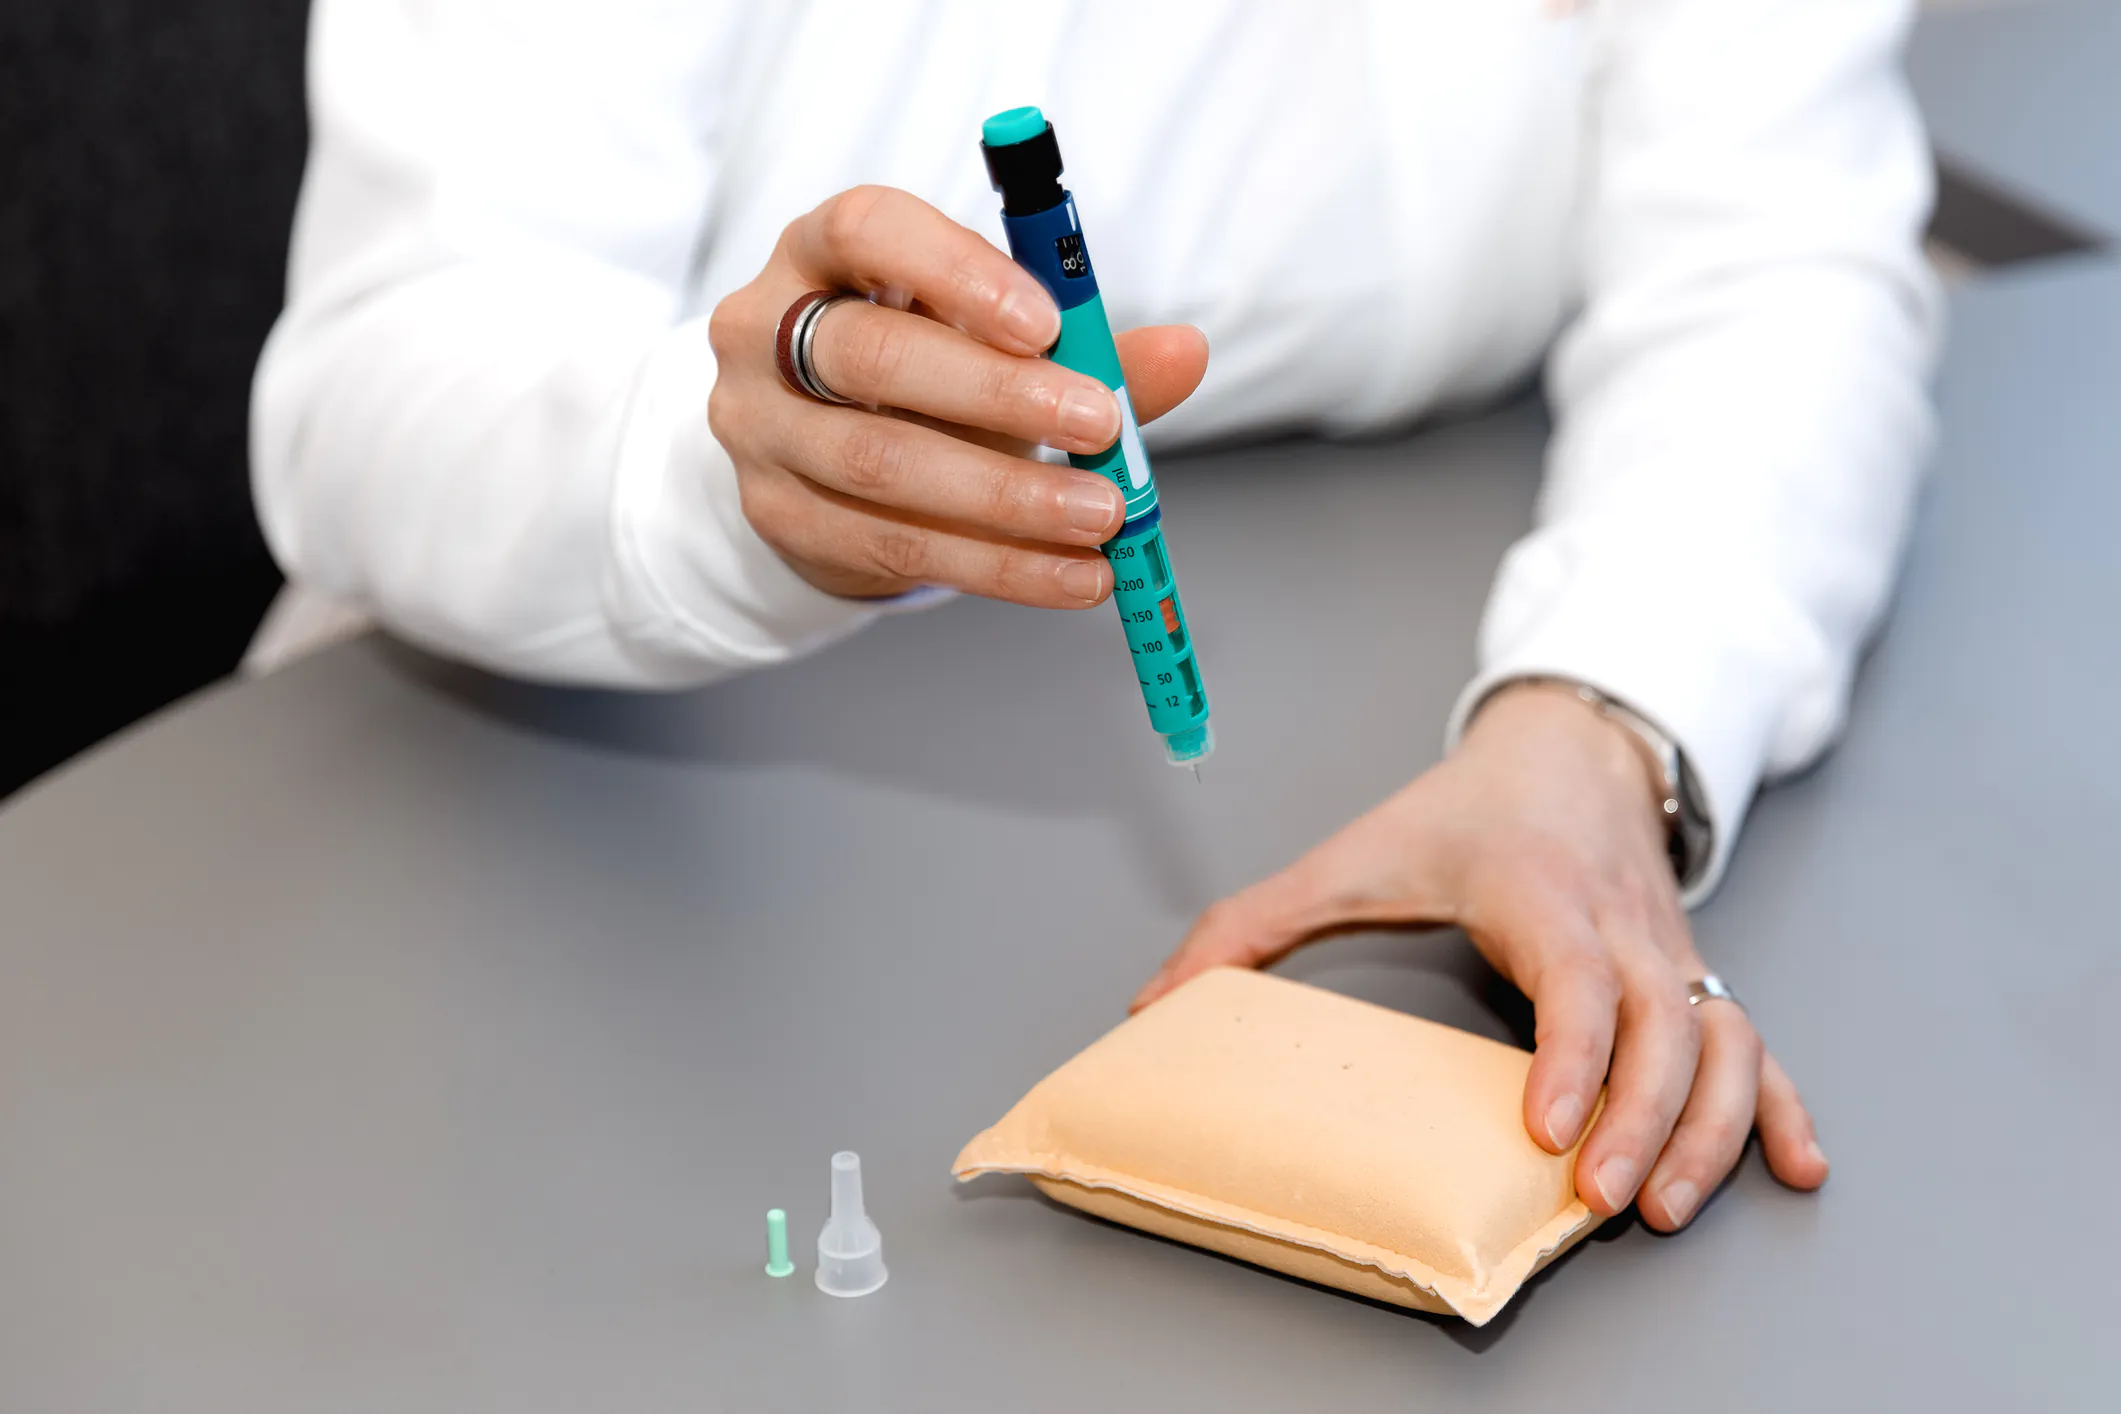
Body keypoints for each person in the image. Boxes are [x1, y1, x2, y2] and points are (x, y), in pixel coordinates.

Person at [252, 1, 1940, 1234]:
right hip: (519, 822)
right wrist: (734, 477)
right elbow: (381, 365)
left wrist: (1603, 713)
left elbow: (1777, 258)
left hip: (1368, 591)